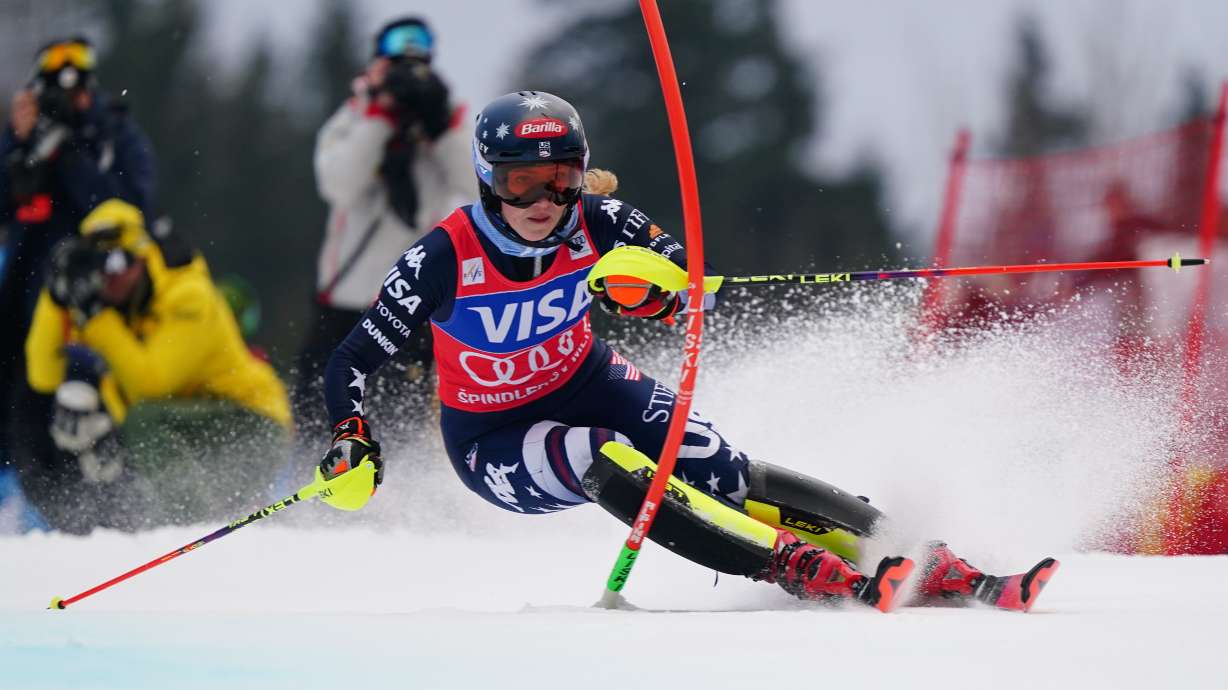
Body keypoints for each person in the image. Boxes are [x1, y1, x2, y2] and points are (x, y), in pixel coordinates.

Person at [315, 91, 1057, 611]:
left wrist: (663, 295)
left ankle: (918, 552)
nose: (543, 202)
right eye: (520, 182)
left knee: (716, 466)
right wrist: (351, 435)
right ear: (487, 179)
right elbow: (350, 359)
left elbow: (690, 283)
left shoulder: (602, 221)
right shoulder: (443, 257)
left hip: (587, 380)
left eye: (561, 180)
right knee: (601, 456)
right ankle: (788, 563)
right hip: (492, 436)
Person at [18, 199, 290, 533]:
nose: (110, 278)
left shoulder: (188, 293)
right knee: (51, 412)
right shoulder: (108, 305)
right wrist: (56, 297)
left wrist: (98, 319)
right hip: (182, 430)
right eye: (98, 267)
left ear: (143, 256)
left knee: (142, 420)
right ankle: (92, 530)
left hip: (251, 426)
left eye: (118, 263)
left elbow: (152, 384)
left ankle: (192, 532)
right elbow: (43, 376)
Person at [295, 16, 471, 439]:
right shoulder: (354, 117)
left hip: (411, 304)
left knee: (400, 426)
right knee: (317, 417)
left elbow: (477, 185)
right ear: (375, 67)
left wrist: (440, 128)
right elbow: (338, 184)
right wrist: (381, 118)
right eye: (394, 68)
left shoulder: (445, 122)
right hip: (344, 300)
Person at [0, 37, 155, 501]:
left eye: (78, 90)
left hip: (96, 304)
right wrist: (20, 146)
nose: (69, 101)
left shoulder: (113, 135)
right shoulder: (22, 137)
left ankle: (90, 509)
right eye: (55, 91)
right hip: (24, 297)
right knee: (19, 405)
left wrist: (67, 155)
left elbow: (131, 207)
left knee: (79, 408)